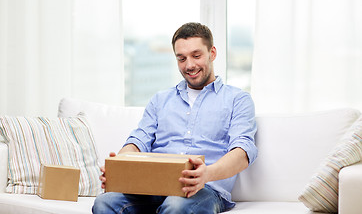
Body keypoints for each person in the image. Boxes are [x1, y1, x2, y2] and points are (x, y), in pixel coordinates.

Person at [92, 22, 257, 214]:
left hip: (204, 189)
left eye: (196, 55)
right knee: (104, 202)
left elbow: (243, 151)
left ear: (212, 53)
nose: (189, 65)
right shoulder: (160, 100)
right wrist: (119, 168)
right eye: (181, 58)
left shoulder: (238, 99)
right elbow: (138, 141)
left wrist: (206, 174)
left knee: (175, 206)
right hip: (151, 188)